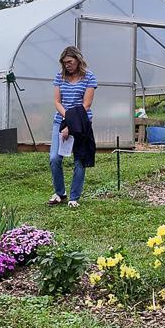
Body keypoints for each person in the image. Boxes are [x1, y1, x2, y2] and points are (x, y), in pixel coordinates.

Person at [47, 46, 97, 208]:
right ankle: (60, 193)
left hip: (81, 123)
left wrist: (72, 124)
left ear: (78, 60)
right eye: (64, 63)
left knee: (79, 160)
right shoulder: (59, 77)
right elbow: (57, 101)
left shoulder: (89, 77)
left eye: (70, 62)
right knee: (54, 158)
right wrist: (66, 120)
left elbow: (86, 104)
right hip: (60, 121)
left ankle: (74, 197)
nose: (67, 65)